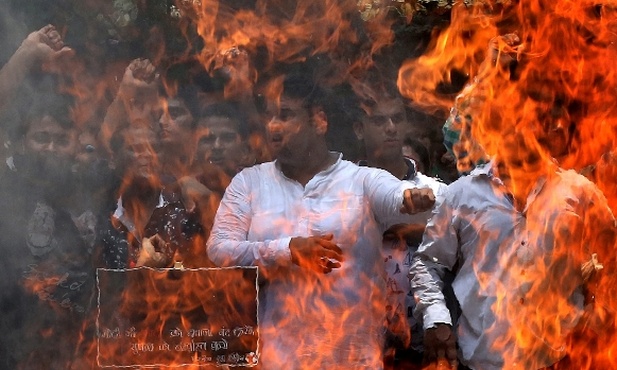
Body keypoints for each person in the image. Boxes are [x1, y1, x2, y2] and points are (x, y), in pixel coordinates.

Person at [206, 66, 436, 369]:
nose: (274, 126)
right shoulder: (249, 183)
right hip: (279, 360)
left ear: (319, 121)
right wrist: (287, 250)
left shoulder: (362, 180)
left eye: (285, 115)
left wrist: (410, 198)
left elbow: (395, 196)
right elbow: (218, 249)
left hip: (354, 360)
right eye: (270, 116)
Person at [409, 129, 616, 370]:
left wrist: (600, 310)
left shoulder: (579, 191)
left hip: (560, 358)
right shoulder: (462, 194)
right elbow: (428, 263)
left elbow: (611, 254)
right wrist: (437, 320)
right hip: (483, 360)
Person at [352, 85, 447, 368]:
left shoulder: (436, 192)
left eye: (396, 118)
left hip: (422, 342)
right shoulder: (340, 189)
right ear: (359, 129)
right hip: (356, 340)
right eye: (379, 121)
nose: (390, 128)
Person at [0, 91, 95, 369]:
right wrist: (29, 53)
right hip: (17, 351)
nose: (52, 148)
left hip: (83, 349)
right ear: (22, 143)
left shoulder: (96, 188)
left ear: (76, 144)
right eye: (42, 138)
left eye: (62, 140)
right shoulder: (6, 192)